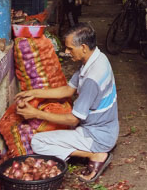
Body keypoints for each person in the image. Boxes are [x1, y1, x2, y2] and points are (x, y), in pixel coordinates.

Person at [16, 23, 118, 183]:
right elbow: (68, 90)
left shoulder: (92, 78)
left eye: (70, 49)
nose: (66, 52)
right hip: (107, 128)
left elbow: (73, 119)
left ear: (83, 47)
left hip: (97, 137)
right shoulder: (97, 58)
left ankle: (95, 155)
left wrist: (35, 113)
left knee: (37, 142)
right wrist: (34, 92)